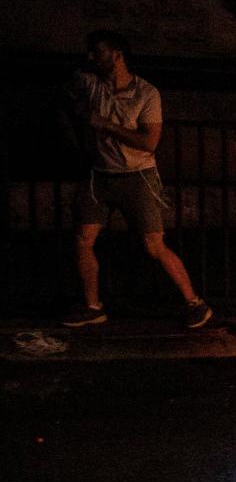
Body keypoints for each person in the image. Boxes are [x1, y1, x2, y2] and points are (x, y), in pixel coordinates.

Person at [60, 30, 212, 329]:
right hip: (99, 175)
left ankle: (195, 303)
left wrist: (105, 125)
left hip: (137, 176)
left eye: (98, 52)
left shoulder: (146, 94)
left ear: (117, 54)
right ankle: (93, 306)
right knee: (82, 239)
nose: (92, 57)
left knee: (153, 244)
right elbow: (64, 98)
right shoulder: (90, 84)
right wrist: (74, 132)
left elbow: (149, 142)